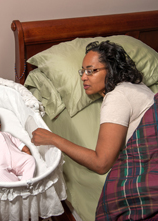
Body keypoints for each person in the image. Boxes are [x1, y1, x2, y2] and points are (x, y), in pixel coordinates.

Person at [31, 41, 158, 220]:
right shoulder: (137, 85)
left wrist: (53, 138)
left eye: (91, 71)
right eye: (82, 71)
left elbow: (101, 163)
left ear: (112, 69)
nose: (83, 77)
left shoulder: (117, 97)